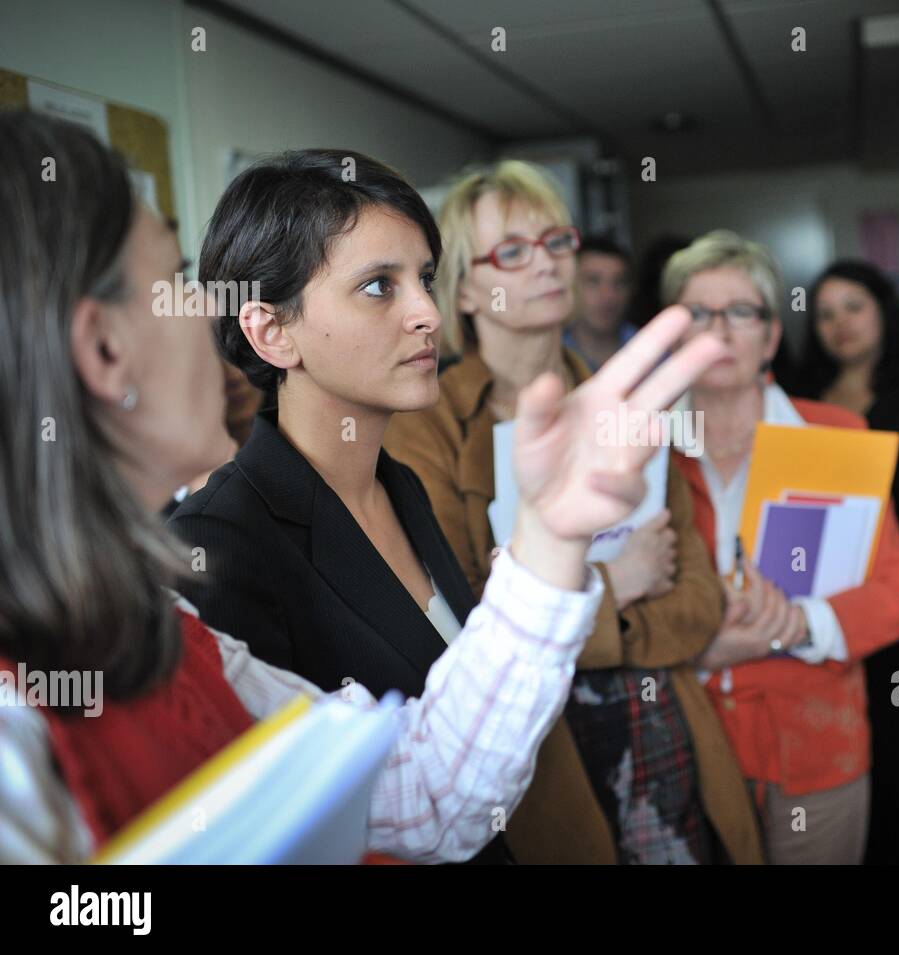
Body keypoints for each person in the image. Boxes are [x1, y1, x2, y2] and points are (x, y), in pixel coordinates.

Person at [0, 111, 726, 863]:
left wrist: (553, 530)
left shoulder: (174, 622)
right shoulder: (203, 562)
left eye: (424, 279)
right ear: (106, 349)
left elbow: (419, 792)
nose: (426, 314)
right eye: (178, 287)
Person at [386, 161, 762, 864]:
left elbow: (698, 603)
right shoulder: (422, 425)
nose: (551, 264)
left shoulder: (630, 400)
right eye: (516, 250)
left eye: (558, 241)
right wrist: (617, 582)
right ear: (464, 285)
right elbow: (461, 625)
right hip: (531, 758)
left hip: (657, 724)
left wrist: (575, 608)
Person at [661, 231, 899, 865]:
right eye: (698, 314)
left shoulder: (833, 437)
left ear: (771, 337)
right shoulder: (637, 452)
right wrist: (698, 645)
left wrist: (802, 622)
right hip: (684, 749)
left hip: (814, 749)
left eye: (741, 312)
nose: (719, 331)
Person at [790, 260, 899, 864]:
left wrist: (870, 579)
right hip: (816, 614)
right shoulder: (796, 405)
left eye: (854, 307)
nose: (840, 325)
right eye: (826, 314)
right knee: (836, 769)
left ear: (884, 312)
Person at [562, 235, 637, 371]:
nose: (608, 295)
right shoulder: (551, 354)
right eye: (593, 281)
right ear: (570, 286)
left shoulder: (652, 350)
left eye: (619, 283)